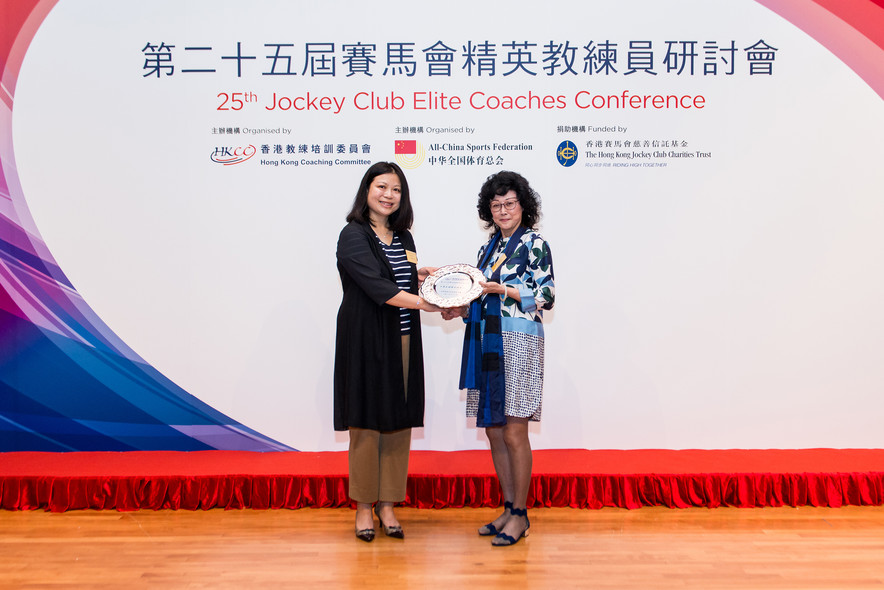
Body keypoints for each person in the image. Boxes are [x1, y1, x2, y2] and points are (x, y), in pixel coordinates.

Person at [442, 171, 555, 546]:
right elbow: (479, 293)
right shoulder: (487, 248)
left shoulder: (535, 243)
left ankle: (521, 515)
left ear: (523, 205)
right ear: (488, 211)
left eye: (509, 203)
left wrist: (503, 289)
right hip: (484, 339)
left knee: (513, 429)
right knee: (493, 428)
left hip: (518, 341)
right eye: (496, 205)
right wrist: (459, 310)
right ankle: (508, 507)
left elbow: (547, 296)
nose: (503, 210)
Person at [334, 161, 440, 542]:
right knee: (365, 422)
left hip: (404, 337)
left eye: (396, 189)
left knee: (398, 420)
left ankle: (389, 504)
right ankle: (364, 507)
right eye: (382, 187)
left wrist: (427, 279)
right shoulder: (353, 235)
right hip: (365, 338)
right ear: (367, 190)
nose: (388, 195)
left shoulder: (404, 237)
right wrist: (424, 304)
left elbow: (400, 277)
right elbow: (376, 286)